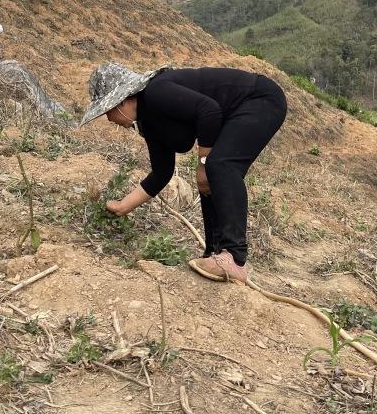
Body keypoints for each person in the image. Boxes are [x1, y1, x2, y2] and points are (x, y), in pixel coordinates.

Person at [80, 63, 287, 284]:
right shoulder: (149, 124)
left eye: (108, 110)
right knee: (209, 178)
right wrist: (123, 206)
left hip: (259, 100)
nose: (109, 119)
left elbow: (210, 111)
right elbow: (162, 173)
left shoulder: (156, 93)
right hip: (238, 111)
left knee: (219, 165)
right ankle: (215, 253)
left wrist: (203, 164)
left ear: (123, 100)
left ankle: (234, 258)